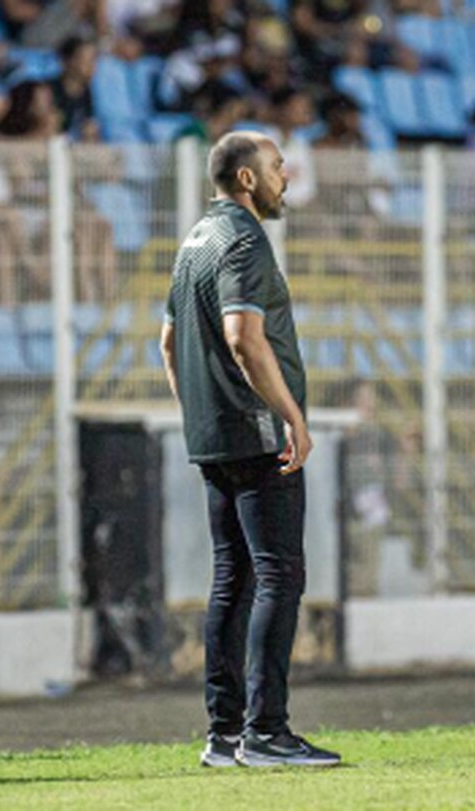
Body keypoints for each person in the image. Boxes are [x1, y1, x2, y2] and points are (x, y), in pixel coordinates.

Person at [159, 131, 340, 768]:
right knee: (279, 575)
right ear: (246, 180)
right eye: (277, 167)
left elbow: (168, 340)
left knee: (230, 580)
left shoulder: (195, 241)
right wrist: (290, 415)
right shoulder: (243, 239)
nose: (286, 177)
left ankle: (223, 734)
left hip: (214, 436)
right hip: (257, 433)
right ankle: (267, 731)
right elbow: (243, 337)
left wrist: (199, 414)